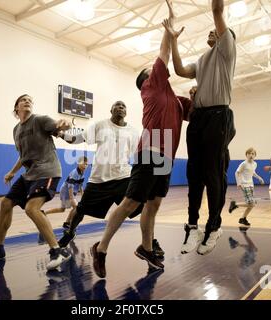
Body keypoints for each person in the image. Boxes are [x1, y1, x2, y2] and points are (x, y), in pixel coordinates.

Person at [90, 0, 193, 278]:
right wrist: (169, 32)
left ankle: (146, 248)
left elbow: (197, 109)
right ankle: (100, 249)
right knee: (130, 203)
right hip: (149, 151)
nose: (157, 69)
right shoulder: (151, 87)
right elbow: (164, 55)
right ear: (146, 80)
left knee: (154, 204)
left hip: (167, 157)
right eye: (152, 69)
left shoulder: (176, 99)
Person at [163, 0, 236, 255]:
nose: (211, 30)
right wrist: (173, 40)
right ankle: (192, 226)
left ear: (225, 36)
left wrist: (218, 13)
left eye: (217, 30)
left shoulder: (226, 50)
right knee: (194, 176)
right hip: (199, 119)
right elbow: (180, 69)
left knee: (213, 175)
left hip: (218, 116)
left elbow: (216, 10)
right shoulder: (203, 60)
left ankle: (213, 226)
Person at [0, 94, 72, 270]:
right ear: (16, 108)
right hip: (30, 174)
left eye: (29, 100)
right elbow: (23, 156)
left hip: (47, 170)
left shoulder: (41, 120)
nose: (27, 101)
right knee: (5, 203)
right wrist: (12, 172)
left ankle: (58, 251)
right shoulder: (16, 130)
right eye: (23, 100)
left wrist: (65, 124)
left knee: (31, 209)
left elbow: (60, 129)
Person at [57, 101, 166, 255]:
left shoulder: (134, 132)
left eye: (124, 106)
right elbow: (78, 138)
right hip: (99, 180)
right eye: (117, 105)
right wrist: (61, 134)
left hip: (124, 178)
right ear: (111, 109)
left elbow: (141, 153)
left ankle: (151, 243)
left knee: (145, 209)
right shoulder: (100, 125)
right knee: (80, 210)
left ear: (126, 112)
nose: (121, 107)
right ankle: (70, 233)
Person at [44, 156, 88, 229]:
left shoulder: (82, 174)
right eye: (83, 164)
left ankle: (45, 213)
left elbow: (81, 186)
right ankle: (67, 222)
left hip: (71, 193)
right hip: (66, 192)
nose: (85, 166)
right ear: (78, 163)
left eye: (86, 164)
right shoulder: (74, 173)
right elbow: (70, 187)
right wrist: (72, 199)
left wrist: (83, 196)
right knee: (76, 207)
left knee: (62, 209)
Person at [229, 148, 265, 226]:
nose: (251, 155)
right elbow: (237, 172)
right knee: (251, 203)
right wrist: (238, 183)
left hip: (251, 185)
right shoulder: (244, 164)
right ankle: (235, 205)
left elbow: (253, 173)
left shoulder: (255, 164)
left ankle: (243, 218)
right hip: (244, 185)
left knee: (252, 204)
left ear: (255, 155)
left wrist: (259, 178)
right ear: (246, 155)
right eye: (249, 153)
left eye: (253, 154)